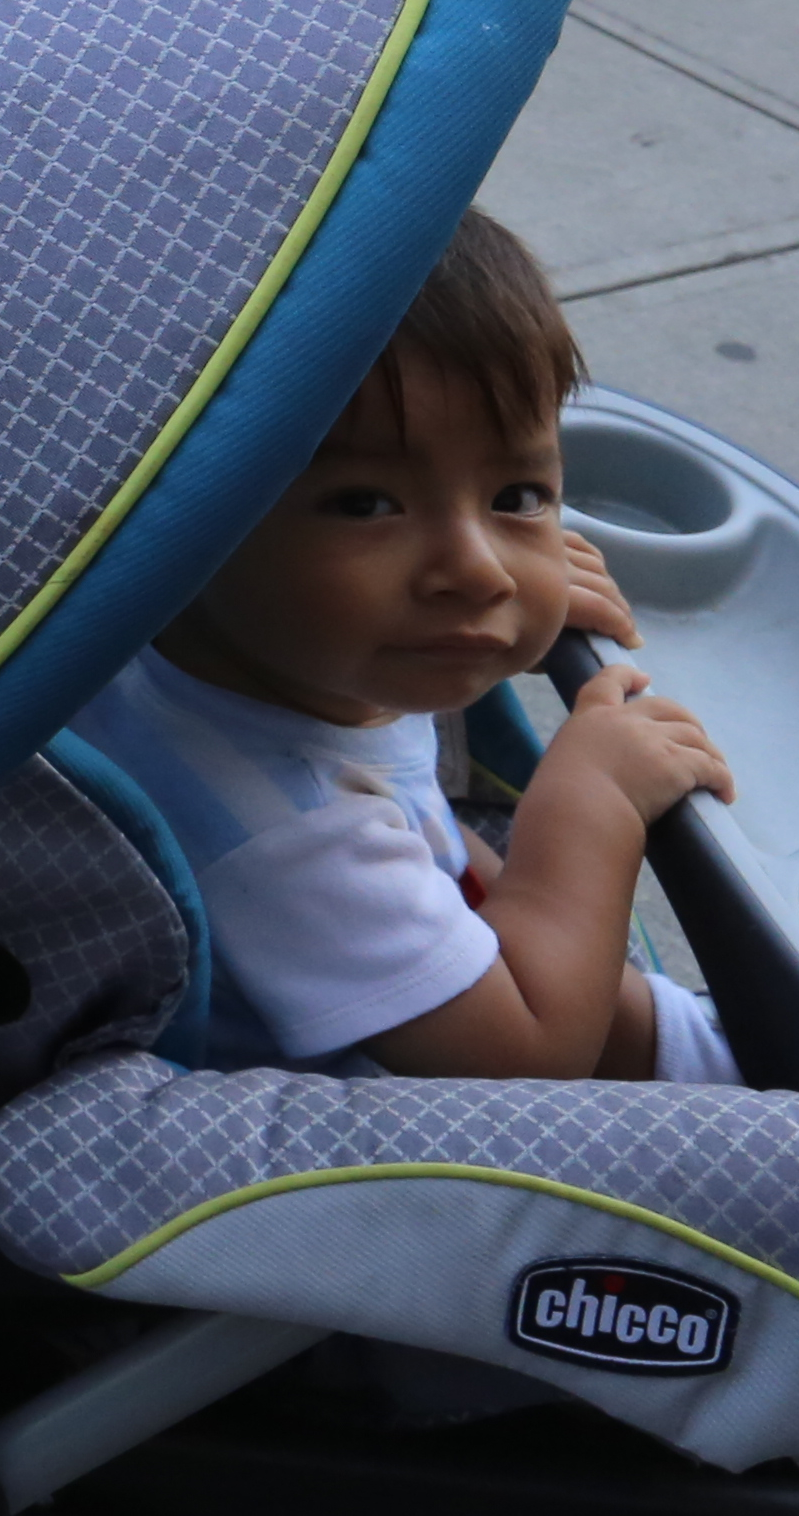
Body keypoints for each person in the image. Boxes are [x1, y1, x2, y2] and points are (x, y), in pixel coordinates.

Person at [71, 213, 744, 1085]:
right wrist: (590, 804)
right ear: (183, 515)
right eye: (365, 505)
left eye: (517, 495)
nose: (476, 571)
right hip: (396, 1127)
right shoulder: (293, 840)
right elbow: (528, 1061)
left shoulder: (188, 647)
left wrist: (520, 578)